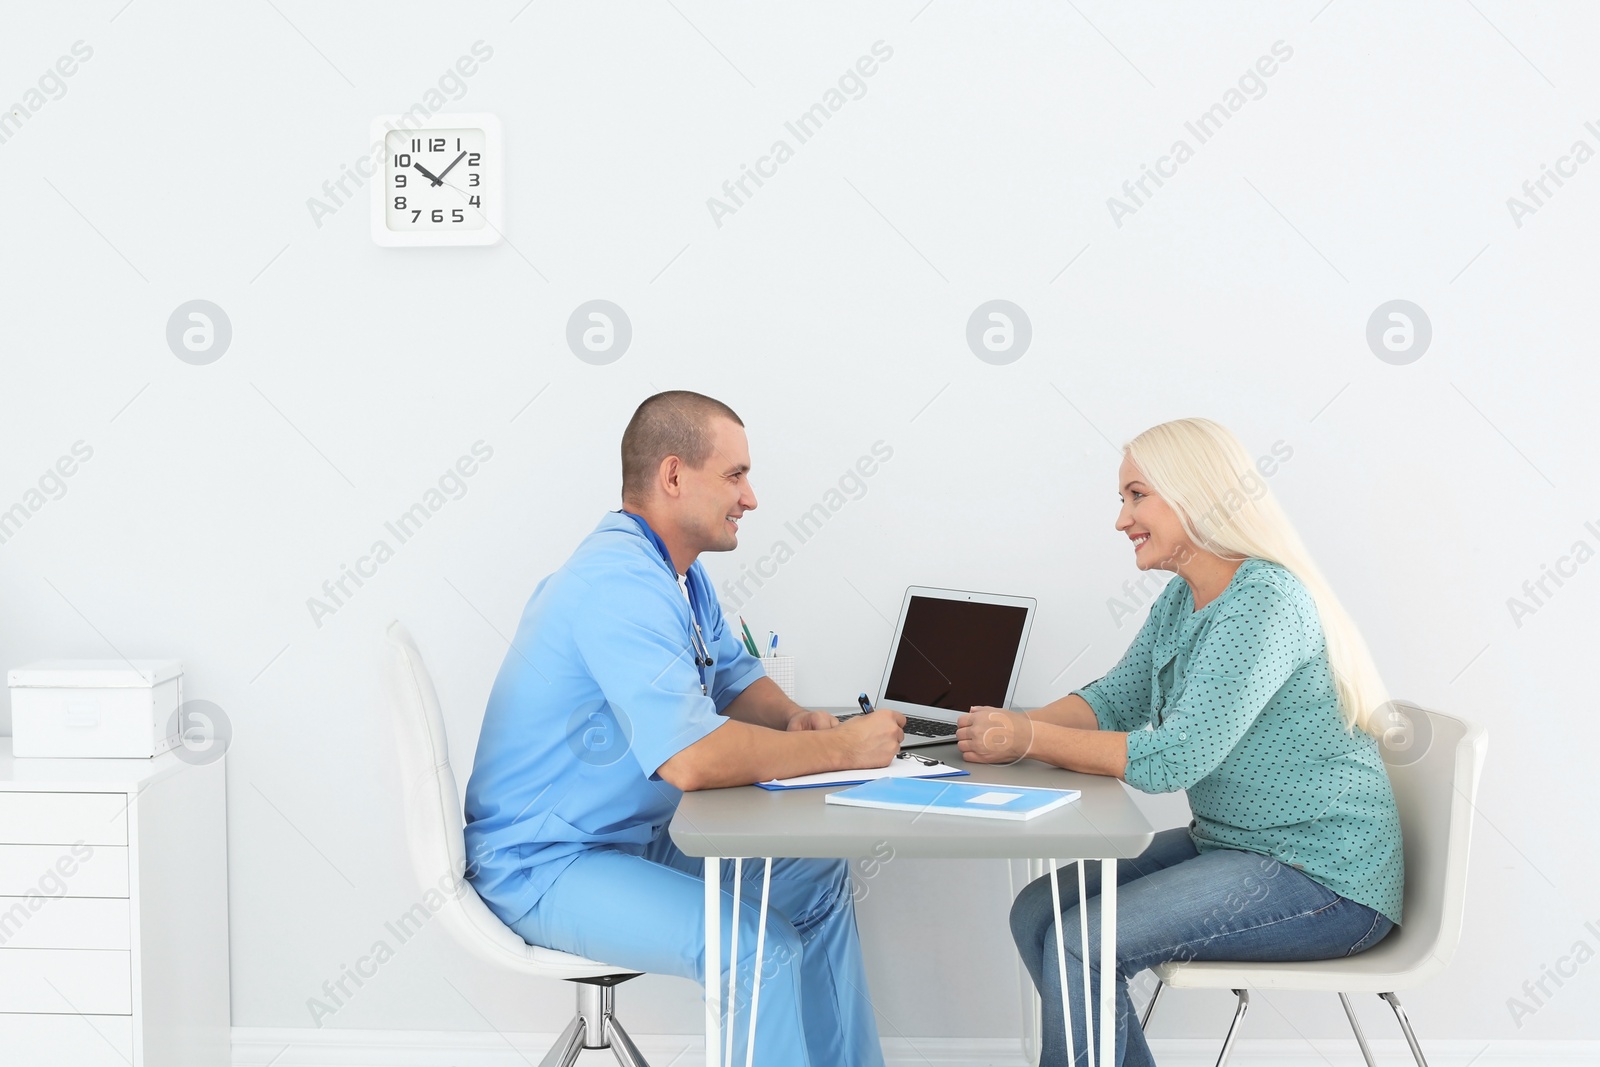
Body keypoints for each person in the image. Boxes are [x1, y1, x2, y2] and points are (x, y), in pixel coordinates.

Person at [463, 390, 904, 1067]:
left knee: (816, 876)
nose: (751, 498)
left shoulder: (677, 576)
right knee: (757, 950)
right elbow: (692, 760)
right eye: (736, 475)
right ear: (673, 476)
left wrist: (792, 718)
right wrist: (839, 746)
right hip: (546, 861)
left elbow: (730, 675)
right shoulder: (617, 584)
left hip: (628, 841)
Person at [956, 418, 1403, 1067]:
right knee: (1038, 910)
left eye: (1136, 495)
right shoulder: (1182, 597)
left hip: (1324, 878)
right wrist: (1006, 733)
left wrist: (1029, 735)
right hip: (1234, 844)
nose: (1121, 519)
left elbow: (1173, 758)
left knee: (1085, 942)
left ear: (1193, 494)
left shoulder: (1265, 602)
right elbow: (1113, 701)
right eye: (1122, 499)